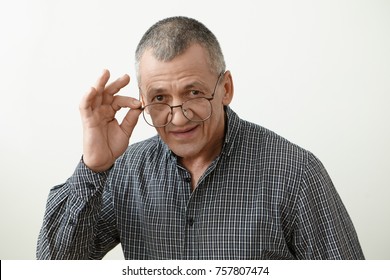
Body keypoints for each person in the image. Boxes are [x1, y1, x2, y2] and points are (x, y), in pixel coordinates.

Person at [37, 16, 364, 260]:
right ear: (141, 99)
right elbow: (55, 265)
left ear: (226, 88)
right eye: (160, 99)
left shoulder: (296, 173)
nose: (178, 117)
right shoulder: (125, 170)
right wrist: (93, 167)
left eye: (193, 93)